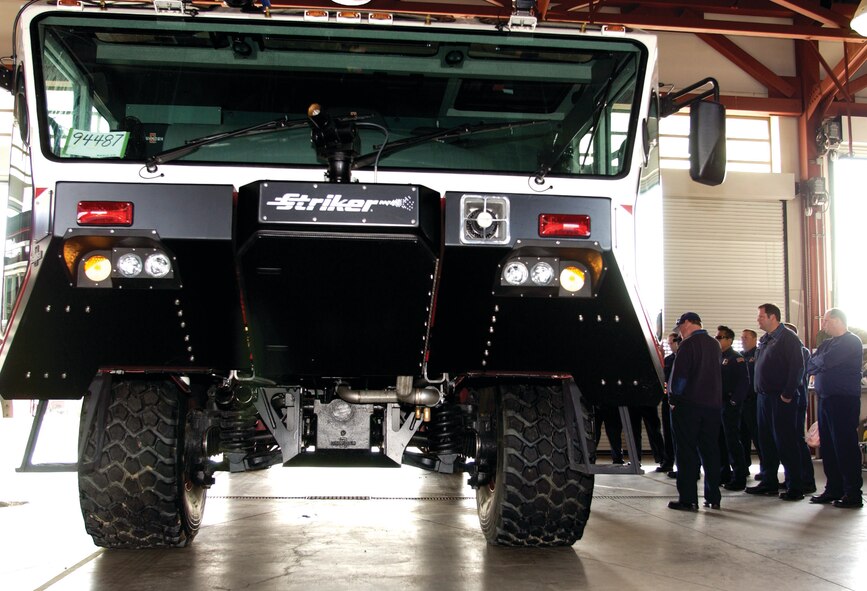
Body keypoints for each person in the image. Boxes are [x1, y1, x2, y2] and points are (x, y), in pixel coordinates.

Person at [745, 303, 805, 501]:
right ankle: (769, 482)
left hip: (780, 398)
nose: (758, 320)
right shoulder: (765, 339)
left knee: (785, 442)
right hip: (763, 398)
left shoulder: (788, 338)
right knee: (766, 442)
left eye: (761, 316)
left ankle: (795, 487)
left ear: (772, 317)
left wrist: (787, 394)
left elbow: (797, 368)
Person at [806, 308, 864, 508]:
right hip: (825, 400)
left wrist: (820, 362)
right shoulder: (827, 344)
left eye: (827, 321)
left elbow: (826, 361)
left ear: (839, 320)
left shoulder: (851, 342)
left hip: (843, 401)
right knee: (829, 447)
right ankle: (833, 489)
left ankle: (852, 493)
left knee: (844, 446)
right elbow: (811, 364)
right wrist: (819, 363)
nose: (823, 325)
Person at [667, 312, 722, 511]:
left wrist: (674, 399)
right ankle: (713, 497)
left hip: (689, 406)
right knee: (710, 451)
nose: (680, 332)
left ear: (689, 323)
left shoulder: (688, 345)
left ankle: (688, 499)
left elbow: (681, 376)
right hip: (712, 407)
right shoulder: (714, 345)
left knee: (686, 453)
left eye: (681, 327)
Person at [783, 322, 817, 494]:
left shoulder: (801, 351)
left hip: (796, 400)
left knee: (797, 440)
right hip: (787, 401)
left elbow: (797, 375)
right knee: (787, 441)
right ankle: (791, 478)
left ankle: (807, 480)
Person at [717, 325, 750, 490]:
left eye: (720, 337)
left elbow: (744, 383)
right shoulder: (718, 357)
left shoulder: (736, 358)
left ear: (729, 339)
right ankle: (724, 474)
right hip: (718, 404)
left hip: (730, 405)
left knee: (732, 442)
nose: (718, 340)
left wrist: (734, 402)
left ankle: (739, 477)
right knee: (720, 441)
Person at [739, 329, 762, 479]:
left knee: (758, 437)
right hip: (741, 402)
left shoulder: (758, 354)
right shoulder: (740, 356)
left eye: (746, 338)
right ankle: (743, 466)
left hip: (754, 402)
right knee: (742, 437)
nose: (743, 340)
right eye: (742, 338)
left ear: (754, 339)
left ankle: (765, 468)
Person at [655, 332, 678, 473]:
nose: (670, 345)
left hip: (679, 401)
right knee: (668, 433)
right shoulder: (668, 359)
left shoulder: (683, 358)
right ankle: (668, 461)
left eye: (671, 343)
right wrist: (661, 356)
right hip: (667, 400)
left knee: (679, 435)